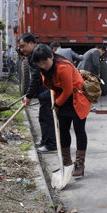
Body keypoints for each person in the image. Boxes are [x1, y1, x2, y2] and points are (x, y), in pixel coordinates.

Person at [32, 44, 90, 177]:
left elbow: (68, 90)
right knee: (63, 131)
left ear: (51, 56)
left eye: (45, 62)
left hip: (77, 98)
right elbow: (51, 86)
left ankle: (80, 164)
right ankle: (66, 163)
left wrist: (57, 104)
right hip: (63, 99)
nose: (43, 65)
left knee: (79, 130)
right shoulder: (44, 69)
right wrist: (57, 101)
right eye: (40, 63)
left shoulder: (63, 67)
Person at [17, 33, 56, 153]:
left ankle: (51, 144)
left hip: (47, 91)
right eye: (20, 47)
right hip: (44, 91)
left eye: (23, 46)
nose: (21, 49)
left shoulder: (37, 55)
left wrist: (28, 96)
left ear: (32, 44)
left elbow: (35, 78)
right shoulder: (33, 54)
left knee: (47, 118)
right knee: (43, 117)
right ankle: (45, 140)